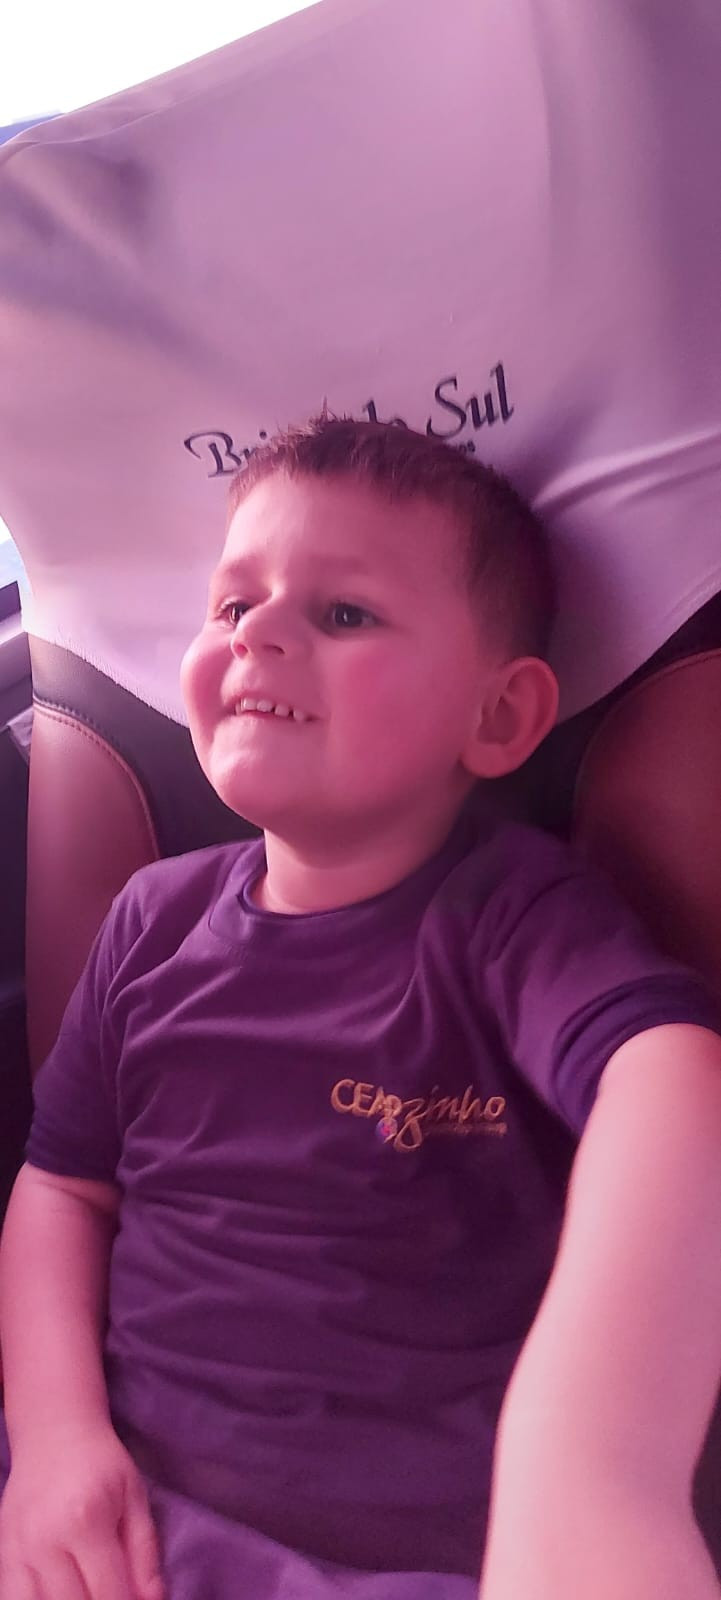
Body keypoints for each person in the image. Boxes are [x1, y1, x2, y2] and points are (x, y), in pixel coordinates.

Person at [1, 415, 720, 1600]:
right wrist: (54, 1442)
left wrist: (600, 1467)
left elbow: (667, 1075)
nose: (258, 632)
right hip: (111, 1525)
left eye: (343, 613)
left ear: (499, 717)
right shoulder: (150, 920)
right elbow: (63, 1190)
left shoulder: (513, 919)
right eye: (233, 604)